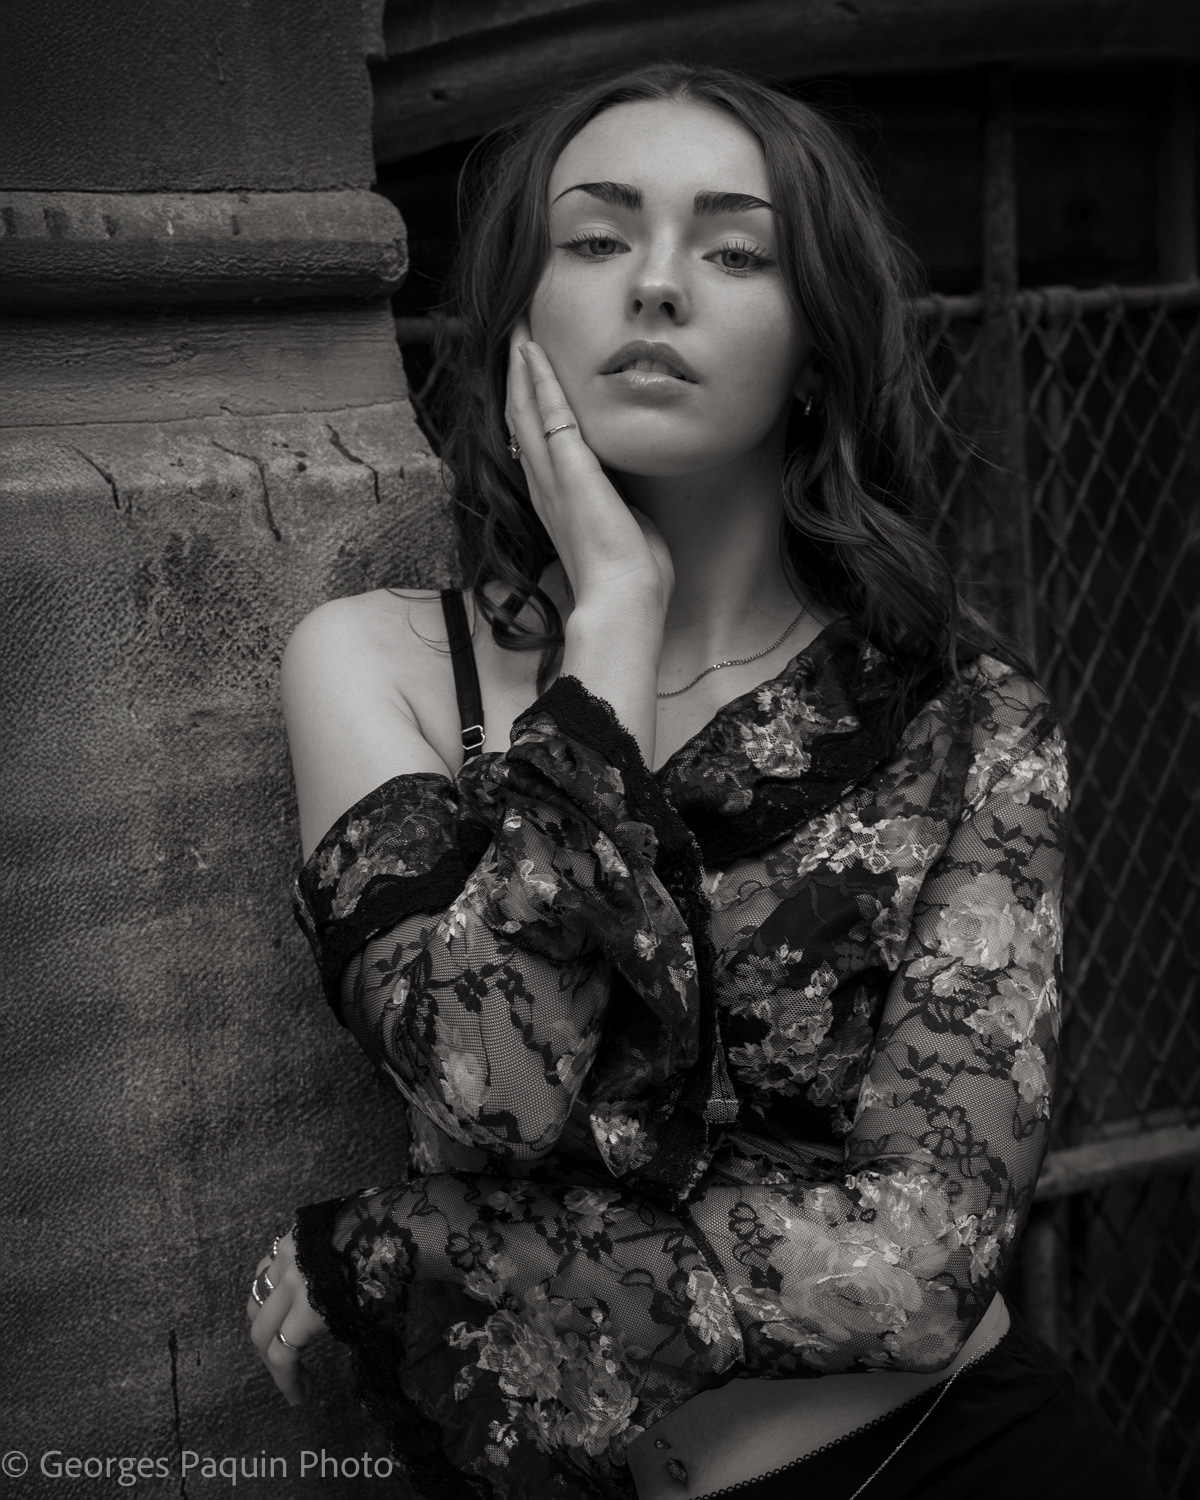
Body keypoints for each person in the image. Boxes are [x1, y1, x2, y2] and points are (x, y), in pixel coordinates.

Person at [245, 63, 1155, 1500]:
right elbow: (492, 1093)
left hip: (957, 1459)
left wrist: (435, 1255)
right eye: (597, 239)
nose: (656, 285)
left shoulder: (969, 718)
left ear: (817, 350)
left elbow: (926, 1257)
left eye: (735, 253)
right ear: (521, 316)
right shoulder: (380, 665)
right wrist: (610, 630)